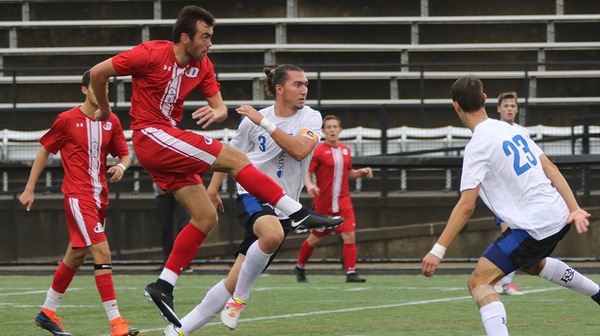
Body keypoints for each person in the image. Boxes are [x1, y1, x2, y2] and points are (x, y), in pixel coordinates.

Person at [89, 5, 342, 328]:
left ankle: (163, 285)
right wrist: (106, 110)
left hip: (169, 141)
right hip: (151, 136)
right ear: (185, 38)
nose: (210, 43)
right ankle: (297, 211)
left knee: (205, 217)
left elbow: (219, 105)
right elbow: (98, 73)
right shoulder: (151, 53)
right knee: (238, 160)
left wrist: (218, 112)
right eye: (205, 37)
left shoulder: (202, 65)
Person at [421, 75, 599, 336]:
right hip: (559, 214)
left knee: (479, 282)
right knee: (531, 263)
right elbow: (550, 167)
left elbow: (466, 205)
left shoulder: (477, 145)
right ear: (484, 99)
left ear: (455, 106)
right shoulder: (512, 129)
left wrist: (437, 251)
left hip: (533, 226)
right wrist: (574, 208)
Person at [163, 64, 322, 335]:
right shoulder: (253, 121)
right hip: (252, 193)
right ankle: (240, 300)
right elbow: (229, 155)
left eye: (306, 84)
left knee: (232, 280)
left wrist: (265, 123)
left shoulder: (310, 117)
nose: (304, 90)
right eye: (298, 84)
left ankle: (176, 330)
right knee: (271, 235)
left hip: (285, 207)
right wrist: (212, 191)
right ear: (280, 89)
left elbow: (299, 150)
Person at [19, 70, 138, 336]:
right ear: (84, 90)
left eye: (105, 88)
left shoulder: (112, 121)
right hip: (77, 195)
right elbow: (44, 151)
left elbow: (125, 154)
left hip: (100, 198)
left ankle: (47, 312)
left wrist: (121, 166)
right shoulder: (67, 119)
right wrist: (30, 189)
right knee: (103, 253)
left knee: (76, 255)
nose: (102, 93)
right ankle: (117, 323)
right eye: (97, 87)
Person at [295, 115, 373, 283]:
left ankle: (350, 272)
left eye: (335, 127)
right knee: (314, 238)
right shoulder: (319, 150)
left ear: (340, 130)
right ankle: (300, 266)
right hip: (324, 203)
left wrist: (361, 172)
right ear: (323, 131)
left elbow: (348, 173)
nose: (332, 130)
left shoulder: (346, 150)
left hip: (344, 202)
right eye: (328, 127)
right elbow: (307, 172)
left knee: (349, 235)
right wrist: (309, 185)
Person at [493, 91, 525, 295]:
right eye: (506, 106)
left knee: (519, 238)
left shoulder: (522, 132)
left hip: (521, 194)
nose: (510, 109)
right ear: (499, 109)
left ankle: (504, 281)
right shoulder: (493, 130)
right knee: (510, 237)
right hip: (503, 194)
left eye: (513, 106)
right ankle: (499, 281)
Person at [154, 182, 191, 265]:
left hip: (182, 189)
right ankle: (167, 262)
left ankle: (184, 262)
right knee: (165, 228)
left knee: (184, 225)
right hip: (162, 193)